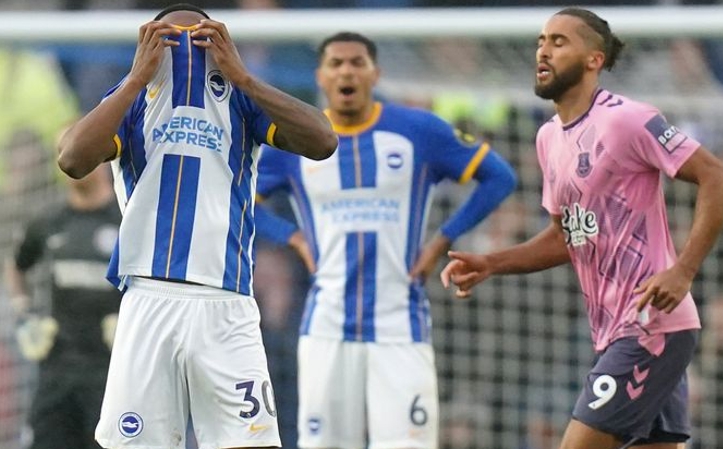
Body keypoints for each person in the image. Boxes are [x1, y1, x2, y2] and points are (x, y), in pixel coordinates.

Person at [440, 8, 723, 449]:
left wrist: (683, 269)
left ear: (594, 59)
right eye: (541, 41)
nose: (543, 50)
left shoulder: (627, 119)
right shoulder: (548, 138)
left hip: (649, 326)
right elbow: (566, 237)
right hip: (613, 330)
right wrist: (491, 262)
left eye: (559, 42)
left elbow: (719, 179)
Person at [56, 3, 337, 449]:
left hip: (227, 305)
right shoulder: (128, 101)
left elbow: (323, 140)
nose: (185, 45)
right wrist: (134, 78)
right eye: (169, 38)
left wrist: (243, 76)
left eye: (198, 36)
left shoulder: (243, 98)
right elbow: (72, 159)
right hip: (149, 300)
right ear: (148, 42)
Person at [255, 31, 516, 449]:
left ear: (375, 73)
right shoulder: (295, 142)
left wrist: (441, 240)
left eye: (357, 62)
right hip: (326, 326)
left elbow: (499, 178)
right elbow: (238, 202)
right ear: (320, 77)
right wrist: (293, 238)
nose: (347, 71)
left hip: (400, 323)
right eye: (336, 63)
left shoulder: (417, 131)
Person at [4, 164, 120, 449]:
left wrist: (134, 323)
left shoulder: (126, 220)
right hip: (58, 367)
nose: (72, 162)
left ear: (102, 161)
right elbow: (16, 265)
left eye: (81, 153)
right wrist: (25, 312)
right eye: (65, 154)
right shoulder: (50, 220)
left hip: (112, 370)